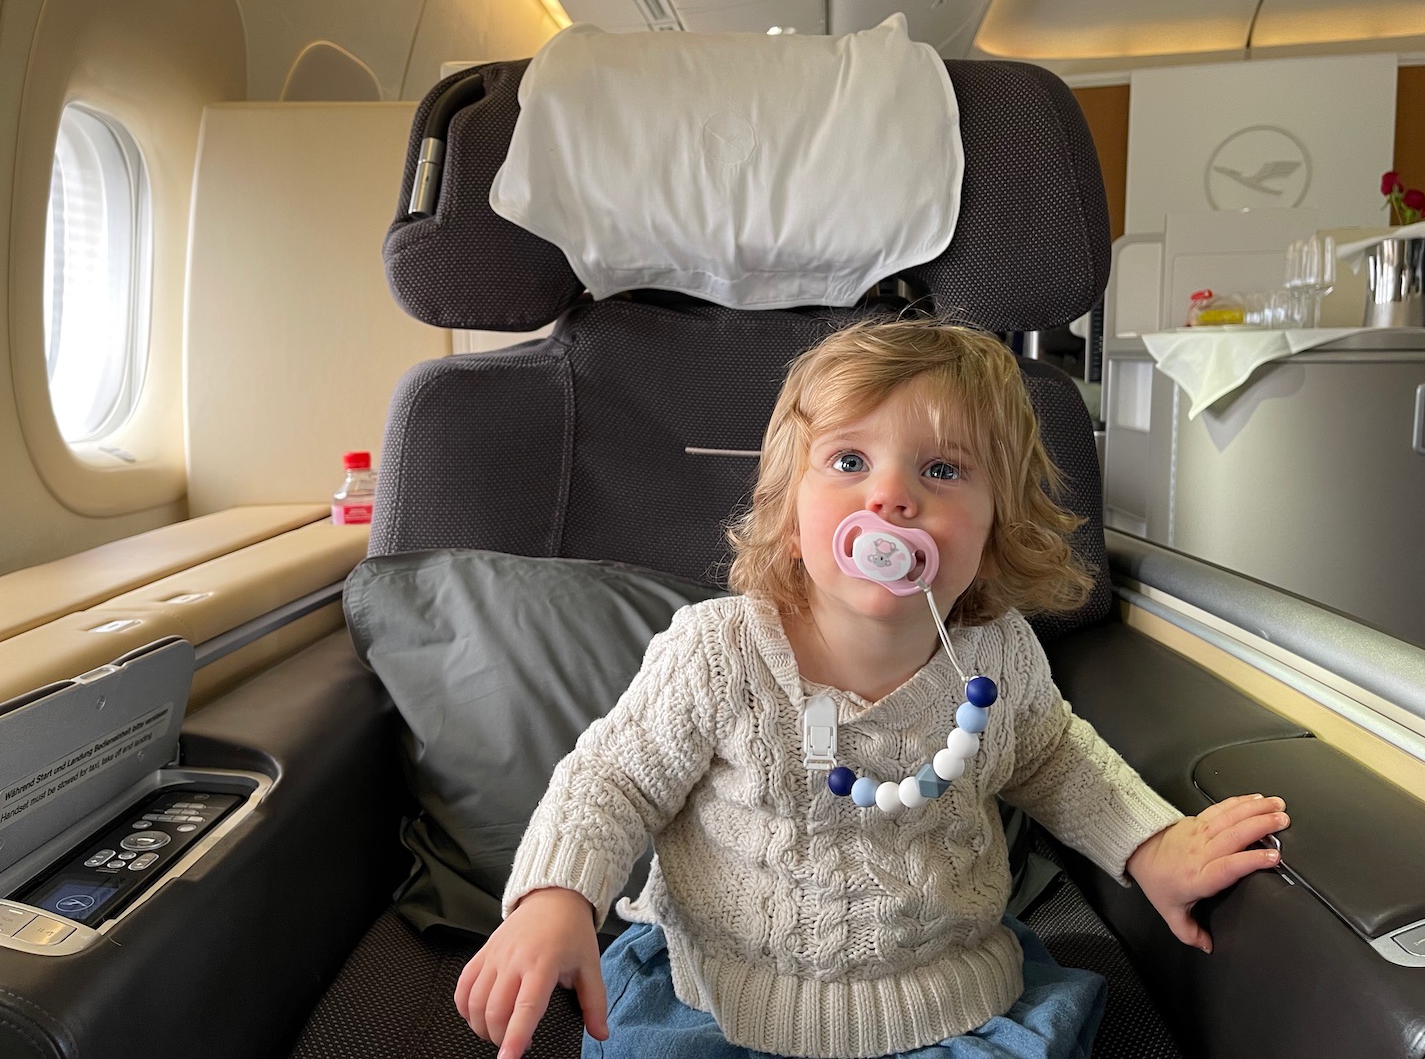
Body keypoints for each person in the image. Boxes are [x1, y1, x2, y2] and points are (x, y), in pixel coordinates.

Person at [456, 318, 1289, 1059]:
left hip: (953, 1003)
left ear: (1000, 524)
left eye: (941, 468)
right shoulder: (716, 654)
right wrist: (555, 895)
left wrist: (1150, 845)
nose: (891, 496)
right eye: (849, 460)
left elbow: (1059, 762)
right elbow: (613, 779)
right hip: (720, 1003)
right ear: (788, 509)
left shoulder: (995, 657)